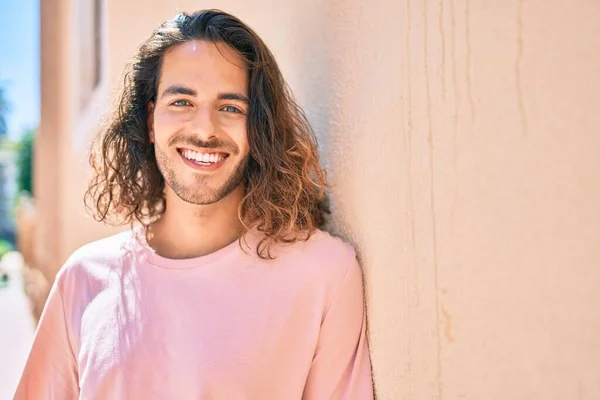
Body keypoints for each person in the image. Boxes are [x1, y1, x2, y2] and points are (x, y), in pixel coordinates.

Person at [15, 9, 373, 399]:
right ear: (151, 121)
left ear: (259, 128)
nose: (205, 130)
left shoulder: (324, 274)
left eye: (231, 107)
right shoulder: (82, 280)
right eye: (182, 102)